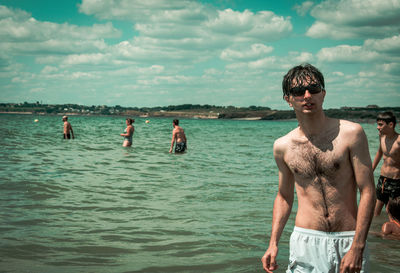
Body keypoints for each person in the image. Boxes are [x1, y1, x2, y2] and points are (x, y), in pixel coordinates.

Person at [261, 64, 376, 273]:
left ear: (323, 94)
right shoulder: (282, 146)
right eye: (298, 91)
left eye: (313, 89)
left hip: (349, 238)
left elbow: (367, 190)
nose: (307, 95)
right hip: (306, 240)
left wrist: (358, 246)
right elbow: (284, 196)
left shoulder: (352, 134)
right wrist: (273, 243)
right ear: (288, 99)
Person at [372, 111, 400, 216]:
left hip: (396, 181)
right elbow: (379, 152)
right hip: (382, 180)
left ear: (391, 125)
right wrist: (371, 170)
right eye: (377, 124)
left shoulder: (399, 140)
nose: (377, 127)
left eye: (380, 125)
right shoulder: (382, 137)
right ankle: (375, 230)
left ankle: (392, 231)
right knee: (375, 212)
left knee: (392, 213)